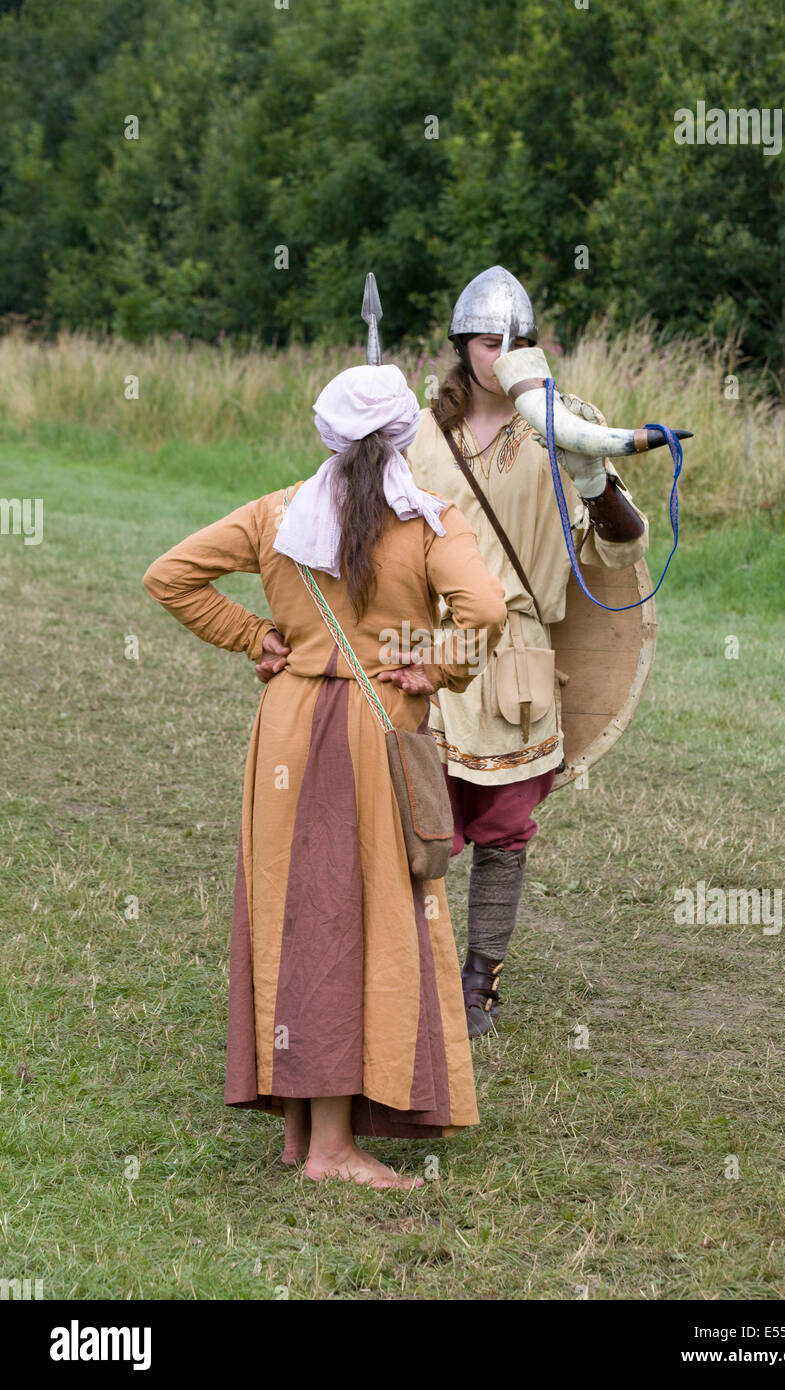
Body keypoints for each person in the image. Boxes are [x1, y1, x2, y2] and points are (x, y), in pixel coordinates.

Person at [142, 363, 507, 1189]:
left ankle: (303, 1132)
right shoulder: (430, 520)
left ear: (328, 437)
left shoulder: (277, 512)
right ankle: (333, 1153)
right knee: (351, 921)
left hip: (288, 731)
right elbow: (485, 610)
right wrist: (434, 663)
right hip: (371, 736)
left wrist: (252, 635)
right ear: (401, 439)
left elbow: (169, 574)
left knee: (298, 915)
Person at [405, 266, 650, 1036]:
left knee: (505, 829)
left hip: (515, 653)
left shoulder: (563, 422)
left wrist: (591, 477)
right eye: (487, 340)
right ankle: (416, 971)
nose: (501, 353)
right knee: (424, 822)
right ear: (461, 346)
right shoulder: (415, 431)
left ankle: (479, 985)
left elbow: (620, 549)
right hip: (429, 647)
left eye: (516, 340)